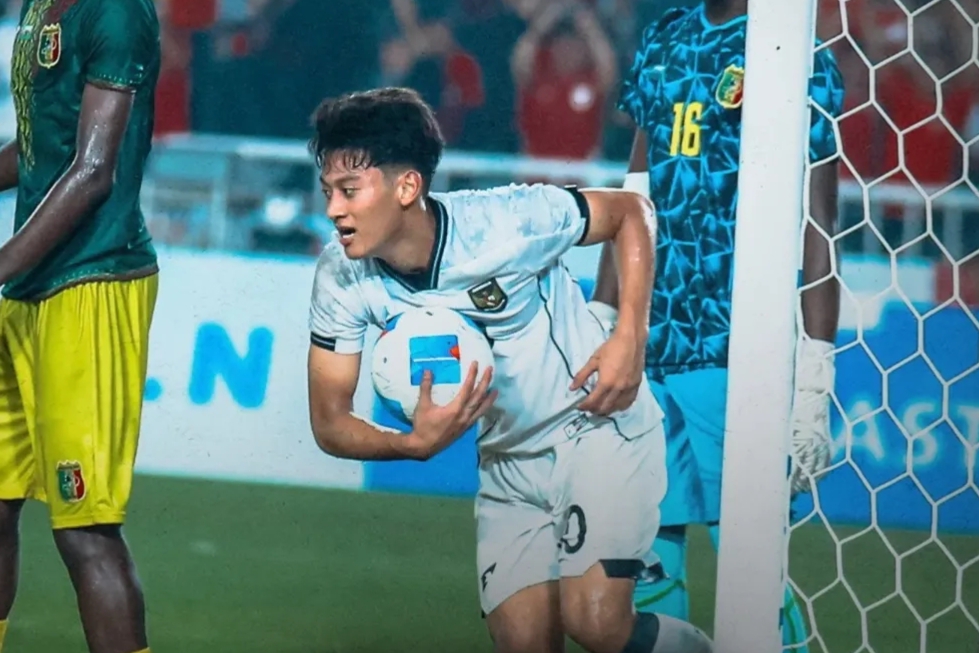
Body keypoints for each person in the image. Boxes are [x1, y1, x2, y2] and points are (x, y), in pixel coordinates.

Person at [306, 86, 713, 653]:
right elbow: (329, 421)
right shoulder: (341, 277)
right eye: (328, 190)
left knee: (596, 623)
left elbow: (630, 212)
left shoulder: (504, 221)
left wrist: (629, 337)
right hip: (508, 465)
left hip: (594, 429)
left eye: (349, 190)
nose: (333, 209)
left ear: (407, 187)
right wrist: (410, 445)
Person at [590, 1, 845, 651]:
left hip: (737, 353)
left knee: (751, 578)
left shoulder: (792, 54)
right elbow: (632, 197)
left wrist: (815, 376)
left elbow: (818, 225)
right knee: (643, 568)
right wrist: (601, 319)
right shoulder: (666, 39)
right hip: (646, 350)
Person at [0, 1, 161, 652]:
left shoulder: (116, 11)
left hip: (93, 282)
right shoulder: (39, 5)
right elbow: (41, 144)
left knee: (84, 528)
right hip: (26, 285)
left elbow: (94, 171)